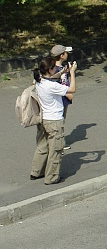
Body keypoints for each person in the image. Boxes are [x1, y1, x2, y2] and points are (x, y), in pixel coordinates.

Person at [30, 55, 76, 185]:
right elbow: (72, 90)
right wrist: (72, 73)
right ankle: (52, 177)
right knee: (56, 149)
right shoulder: (52, 86)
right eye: (54, 67)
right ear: (50, 70)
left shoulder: (39, 80)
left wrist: (63, 72)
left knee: (42, 145)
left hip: (43, 118)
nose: (56, 68)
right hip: (54, 120)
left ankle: (36, 171)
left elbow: (51, 78)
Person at [50, 45, 73, 149]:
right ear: (62, 55)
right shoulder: (55, 70)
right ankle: (59, 143)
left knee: (62, 119)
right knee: (60, 120)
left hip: (64, 96)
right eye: (66, 53)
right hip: (60, 98)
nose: (67, 54)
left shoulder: (60, 67)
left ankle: (59, 140)